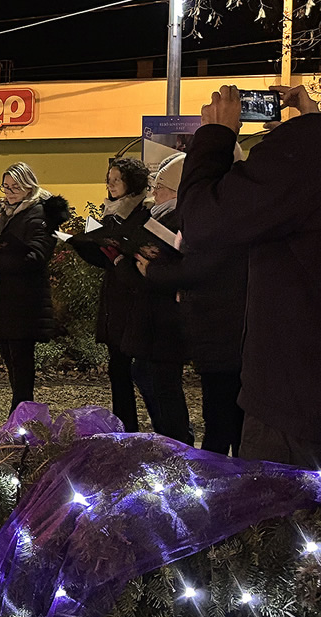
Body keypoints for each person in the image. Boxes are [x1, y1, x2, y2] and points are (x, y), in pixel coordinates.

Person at [178, 84, 321, 466]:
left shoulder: (306, 150)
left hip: (296, 402)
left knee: (279, 523)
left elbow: (202, 221)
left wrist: (216, 135)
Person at [143, 152, 248, 455]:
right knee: (226, 416)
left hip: (222, 329)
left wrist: (155, 270)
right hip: (221, 329)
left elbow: (200, 268)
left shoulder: (220, 217)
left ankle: (222, 484)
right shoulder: (234, 212)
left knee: (221, 419)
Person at [0, 162, 69, 413]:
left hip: (25, 302)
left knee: (21, 364)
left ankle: (22, 418)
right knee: (10, 360)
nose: (9, 192)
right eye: (6, 186)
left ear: (29, 187)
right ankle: (19, 417)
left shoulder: (38, 215)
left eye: (16, 187)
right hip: (3, 299)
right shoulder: (5, 214)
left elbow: (37, 256)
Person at [111, 157, 193, 445]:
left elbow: (165, 272)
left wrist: (129, 263)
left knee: (163, 386)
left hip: (164, 320)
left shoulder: (177, 219)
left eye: (161, 186)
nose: (154, 192)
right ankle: (168, 439)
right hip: (151, 318)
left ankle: (176, 443)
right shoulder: (157, 216)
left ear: (175, 190)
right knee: (147, 377)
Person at [67, 158, 152, 432]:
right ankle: (125, 426)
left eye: (117, 179)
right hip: (114, 297)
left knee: (140, 371)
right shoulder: (111, 214)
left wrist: (120, 254)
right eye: (109, 179)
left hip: (135, 298)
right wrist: (83, 245)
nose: (110, 184)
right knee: (118, 369)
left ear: (132, 183)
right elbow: (105, 257)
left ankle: (148, 428)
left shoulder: (143, 212)